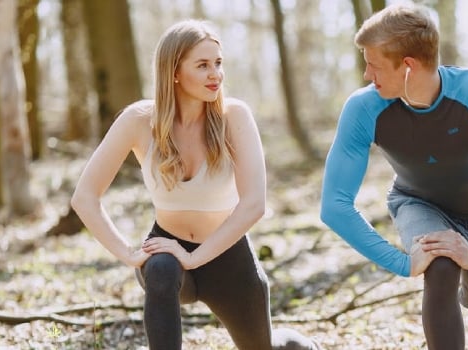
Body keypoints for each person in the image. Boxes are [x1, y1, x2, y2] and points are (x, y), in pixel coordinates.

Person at [71, 20, 320, 350]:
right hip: (167, 251)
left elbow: (254, 204)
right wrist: (129, 254)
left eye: (218, 63)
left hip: (229, 257)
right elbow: (85, 197)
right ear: (174, 71)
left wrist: (195, 257)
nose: (215, 74)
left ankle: (304, 346)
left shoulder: (235, 117)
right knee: (159, 266)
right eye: (202, 65)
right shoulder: (138, 121)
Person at [320, 3, 468, 350]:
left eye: (374, 64)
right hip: (418, 203)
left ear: (408, 66)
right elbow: (334, 205)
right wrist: (402, 262)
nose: (367, 74)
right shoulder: (364, 108)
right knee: (438, 265)